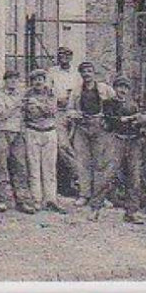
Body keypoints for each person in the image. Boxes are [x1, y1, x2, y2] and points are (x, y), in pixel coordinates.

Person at [89, 78, 146, 223]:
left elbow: (137, 125)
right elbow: (111, 121)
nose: (122, 90)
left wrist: (142, 123)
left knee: (134, 178)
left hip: (133, 142)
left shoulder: (133, 105)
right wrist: (130, 118)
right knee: (107, 175)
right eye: (120, 87)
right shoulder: (108, 103)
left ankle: (131, 212)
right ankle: (95, 209)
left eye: (125, 87)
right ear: (115, 88)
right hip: (116, 141)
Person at [0, 70, 37, 213]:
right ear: (5, 81)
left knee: (20, 167)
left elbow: (25, 115)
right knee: (1, 165)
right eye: (10, 79)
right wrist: (16, 105)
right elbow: (0, 116)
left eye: (15, 79)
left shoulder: (21, 96)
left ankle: (22, 201)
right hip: (1, 132)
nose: (13, 82)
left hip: (17, 133)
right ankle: (1, 199)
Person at [70, 62, 117, 205]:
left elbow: (115, 104)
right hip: (82, 126)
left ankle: (100, 197)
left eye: (89, 71)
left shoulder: (104, 89)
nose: (87, 74)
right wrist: (75, 114)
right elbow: (69, 109)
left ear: (94, 73)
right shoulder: (76, 91)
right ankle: (84, 195)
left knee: (100, 163)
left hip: (99, 126)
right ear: (81, 74)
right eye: (83, 72)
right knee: (82, 162)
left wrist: (108, 120)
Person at [23, 68, 65, 212]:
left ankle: (51, 199)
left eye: (40, 79)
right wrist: (40, 108)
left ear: (44, 80)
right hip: (33, 131)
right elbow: (29, 113)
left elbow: (51, 111)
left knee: (50, 168)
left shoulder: (51, 93)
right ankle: (36, 199)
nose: (38, 82)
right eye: (35, 79)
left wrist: (38, 105)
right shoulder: (27, 94)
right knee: (34, 167)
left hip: (49, 132)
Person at [49, 47, 83, 193]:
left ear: (71, 57)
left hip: (74, 112)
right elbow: (47, 90)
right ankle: (76, 177)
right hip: (58, 112)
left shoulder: (77, 74)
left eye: (67, 55)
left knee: (74, 146)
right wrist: (57, 100)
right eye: (61, 55)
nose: (64, 58)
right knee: (62, 146)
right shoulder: (52, 72)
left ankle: (72, 183)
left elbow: (81, 91)